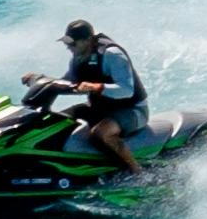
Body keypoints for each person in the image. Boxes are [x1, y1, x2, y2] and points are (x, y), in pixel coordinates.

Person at [37, 19, 147, 163]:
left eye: (72, 43)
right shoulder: (79, 57)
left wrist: (97, 87)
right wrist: (41, 80)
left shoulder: (112, 54)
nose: (69, 47)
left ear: (88, 40)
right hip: (100, 110)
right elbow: (68, 82)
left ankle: (137, 173)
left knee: (100, 134)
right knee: (55, 122)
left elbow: (126, 90)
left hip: (132, 111)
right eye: (66, 43)